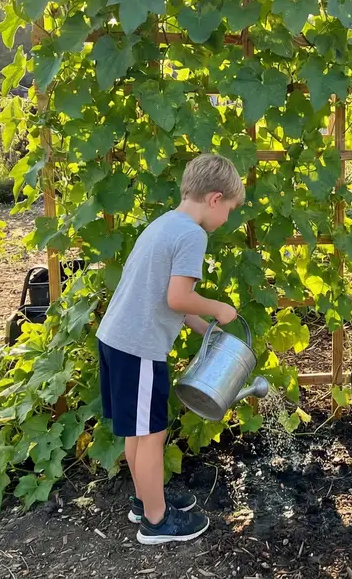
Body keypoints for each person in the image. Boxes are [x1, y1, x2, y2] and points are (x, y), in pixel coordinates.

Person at [96, 154, 244, 545]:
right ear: (215, 199)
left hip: (116, 338)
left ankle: (146, 499)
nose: (227, 219)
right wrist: (217, 309)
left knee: (138, 432)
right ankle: (157, 523)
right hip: (139, 347)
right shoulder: (193, 234)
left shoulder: (165, 223)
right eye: (229, 209)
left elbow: (160, 296)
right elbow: (179, 296)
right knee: (153, 435)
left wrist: (201, 327)